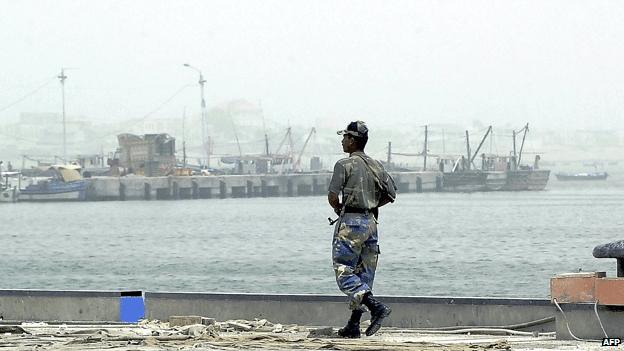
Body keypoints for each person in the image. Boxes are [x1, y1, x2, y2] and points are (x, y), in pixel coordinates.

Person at [328, 121, 395, 338]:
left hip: (351, 223)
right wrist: (373, 204)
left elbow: (332, 196)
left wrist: (339, 209)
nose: (342, 140)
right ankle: (354, 324)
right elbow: (391, 194)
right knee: (364, 275)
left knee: (344, 270)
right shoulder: (376, 165)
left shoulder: (343, 165)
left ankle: (376, 307)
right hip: (371, 224)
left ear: (352, 140)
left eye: (345, 137)